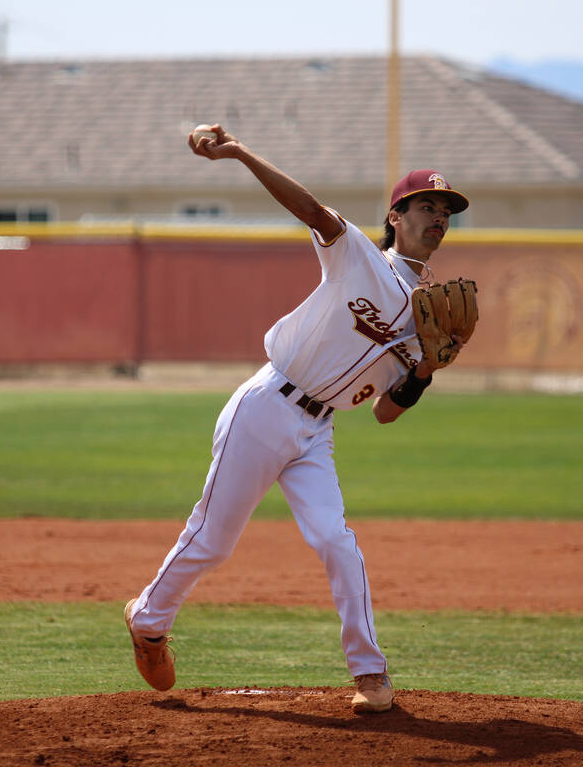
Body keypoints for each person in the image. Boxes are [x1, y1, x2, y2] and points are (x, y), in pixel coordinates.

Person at [124, 124, 470, 714]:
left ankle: (369, 672)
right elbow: (309, 208)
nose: (438, 217)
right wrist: (236, 153)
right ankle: (148, 621)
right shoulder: (358, 254)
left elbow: (386, 413)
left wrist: (425, 373)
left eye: (446, 211)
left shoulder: (428, 318)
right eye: (426, 206)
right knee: (214, 539)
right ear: (397, 215)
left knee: (337, 540)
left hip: (317, 430)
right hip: (265, 407)